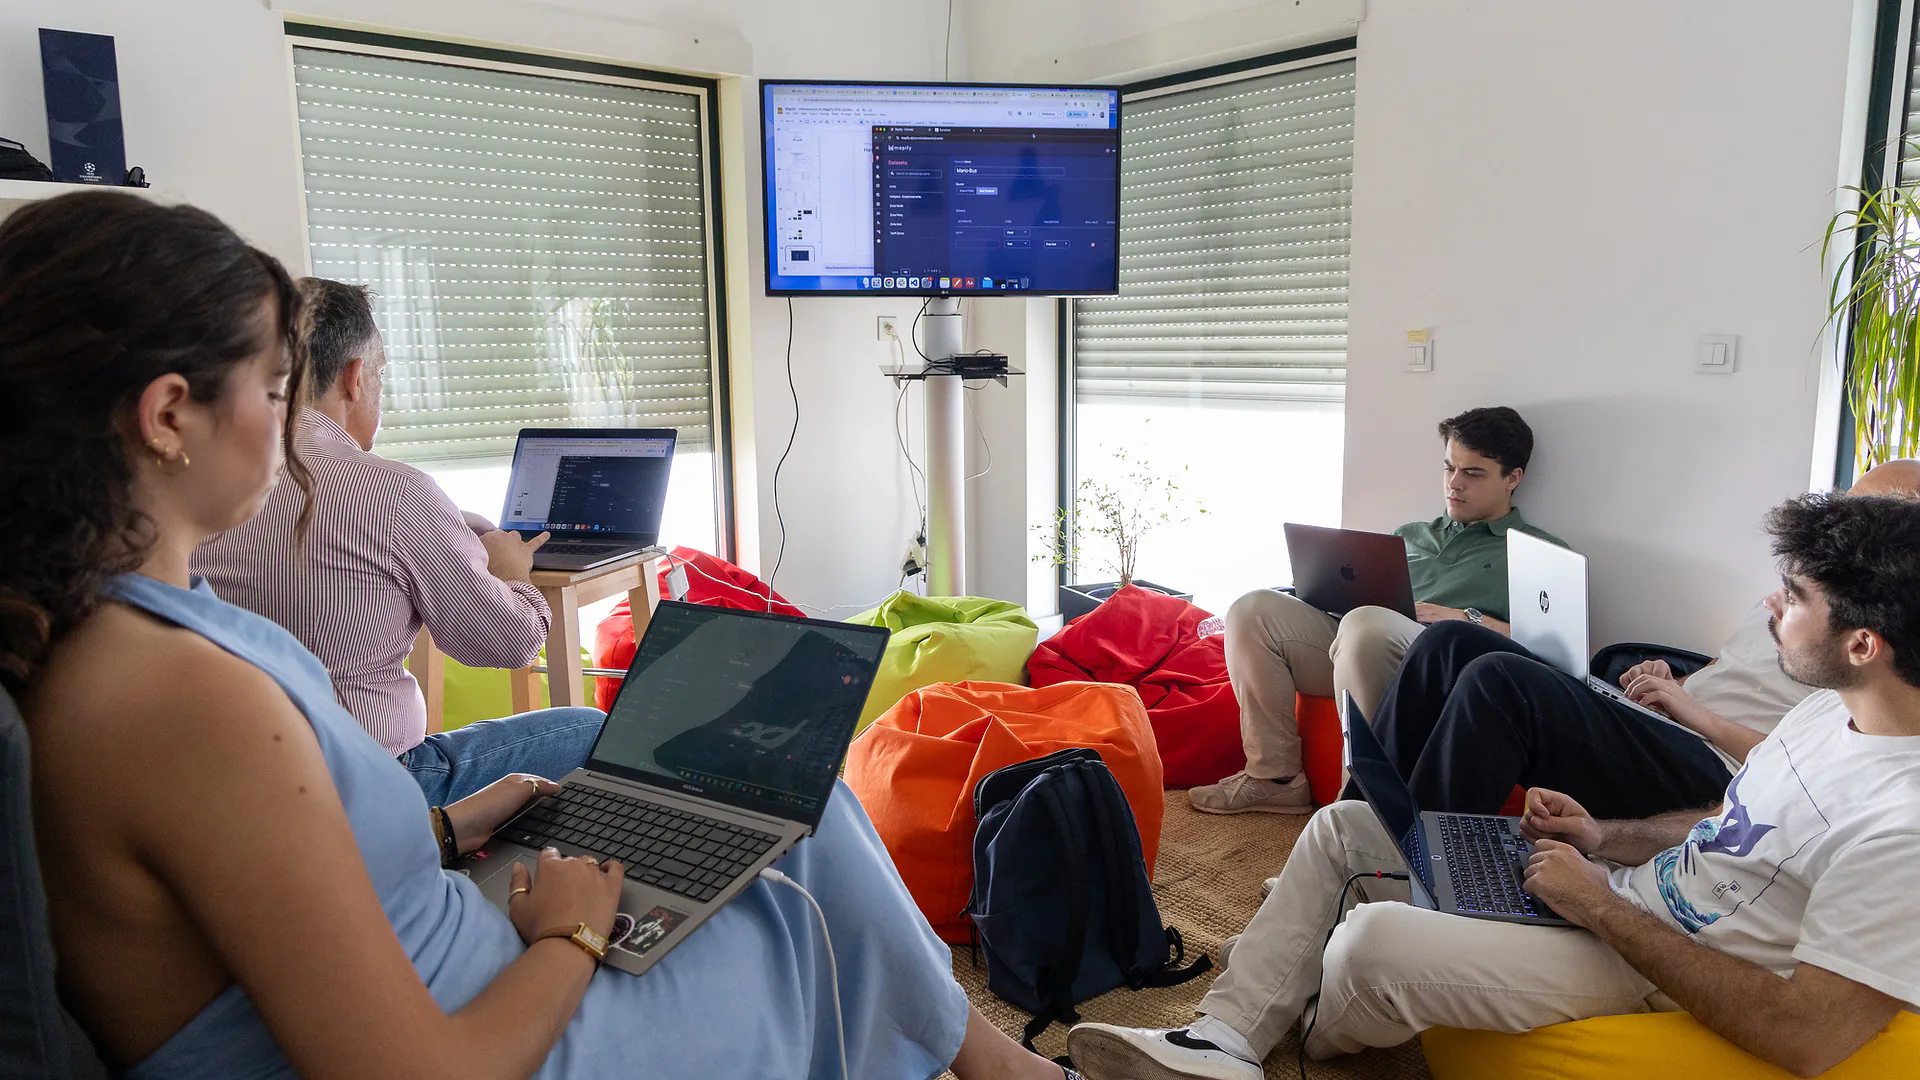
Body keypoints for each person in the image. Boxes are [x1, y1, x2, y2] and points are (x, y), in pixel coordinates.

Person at [2, 193, 1075, 1080]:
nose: (292, 433)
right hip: (507, 1031)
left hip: (443, 940)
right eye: (278, 393)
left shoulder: (99, 633)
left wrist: (452, 826)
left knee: (736, 803)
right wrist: (573, 933)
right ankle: (988, 1064)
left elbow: (240, 882)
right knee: (792, 879)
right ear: (167, 415)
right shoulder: (173, 695)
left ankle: (980, 1063)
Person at [1069, 491, 1920, 1079]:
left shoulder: (1902, 827)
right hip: (1619, 889)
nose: (1772, 606)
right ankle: (1223, 1042)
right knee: (1342, 831)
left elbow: (1810, 1039)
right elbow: (1722, 825)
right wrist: (1605, 838)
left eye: (1797, 596)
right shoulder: (1824, 715)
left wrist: (1598, 907)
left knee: (1373, 944)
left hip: (1647, 968)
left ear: (1862, 643)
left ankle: (1313, 1006)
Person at [194, 277, 602, 805]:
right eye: (381, 370)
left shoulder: (203, 485)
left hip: (240, 788)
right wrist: (509, 572)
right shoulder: (393, 491)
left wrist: (446, 527)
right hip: (374, 788)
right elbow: (505, 644)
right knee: (589, 729)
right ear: (353, 377)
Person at [1355, 459, 1920, 822]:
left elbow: (1815, 764)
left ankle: (1412, 874)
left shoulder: (1879, 642)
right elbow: (1734, 670)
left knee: (1500, 681)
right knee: (1451, 640)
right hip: (1672, 723)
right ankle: (1350, 829)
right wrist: (1672, 682)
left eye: (1863, 511)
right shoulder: (1799, 602)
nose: (1841, 517)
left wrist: (1697, 715)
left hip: (1718, 768)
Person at [1192, 406, 1566, 815]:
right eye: (1449, 468)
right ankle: (1275, 777)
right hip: (1359, 646)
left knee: (1366, 624)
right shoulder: (1409, 535)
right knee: (1252, 609)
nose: (1453, 485)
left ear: (1513, 478)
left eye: (1472, 474)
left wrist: (1465, 618)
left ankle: (1360, 808)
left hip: (1441, 669)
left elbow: (1553, 655)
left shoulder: (1538, 552)